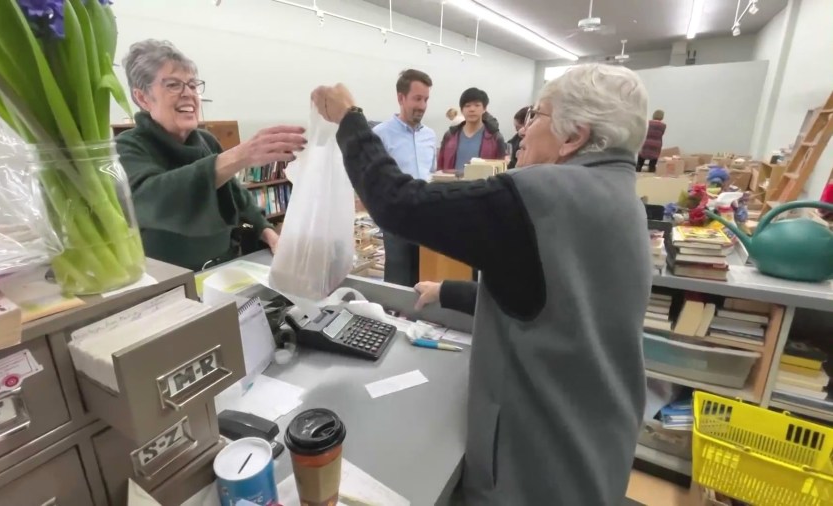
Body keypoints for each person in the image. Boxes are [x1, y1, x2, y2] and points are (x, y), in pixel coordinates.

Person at [310, 63, 651, 505]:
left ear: (573, 136)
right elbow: (556, 296)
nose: (524, 132)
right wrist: (448, 292)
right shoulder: (623, 198)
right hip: (599, 444)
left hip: (536, 464)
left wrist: (351, 120)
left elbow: (399, 204)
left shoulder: (540, 194)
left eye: (536, 116)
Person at [116, 40, 305, 271]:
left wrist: (267, 232)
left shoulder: (206, 141)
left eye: (193, 85)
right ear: (143, 98)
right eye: (173, 85)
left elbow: (237, 197)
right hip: (171, 281)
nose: (188, 94)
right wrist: (239, 156)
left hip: (224, 268)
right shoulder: (127, 148)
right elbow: (155, 199)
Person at [372, 69, 437, 287]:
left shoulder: (430, 136)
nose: (422, 105)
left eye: (426, 99)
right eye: (417, 98)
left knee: (425, 279)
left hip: (427, 218)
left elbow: (432, 173)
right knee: (398, 282)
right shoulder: (381, 134)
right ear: (401, 98)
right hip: (395, 219)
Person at [438, 87, 507, 173]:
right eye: (467, 106)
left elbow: (501, 169)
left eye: (477, 105)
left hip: (482, 185)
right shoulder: (450, 135)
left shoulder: (495, 137)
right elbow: (440, 167)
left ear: (484, 109)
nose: (472, 109)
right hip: (452, 185)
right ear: (461, 110)